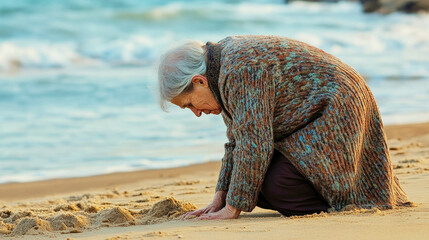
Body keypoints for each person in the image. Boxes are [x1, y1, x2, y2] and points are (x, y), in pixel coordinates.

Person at [157, 35, 410, 220]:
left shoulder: (239, 70)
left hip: (338, 106)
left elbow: (255, 144)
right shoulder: (220, 70)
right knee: (252, 188)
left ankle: (352, 198)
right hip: (311, 116)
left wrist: (231, 210)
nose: (198, 113)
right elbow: (238, 139)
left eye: (190, 104)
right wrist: (220, 198)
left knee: (274, 187)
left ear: (199, 81)